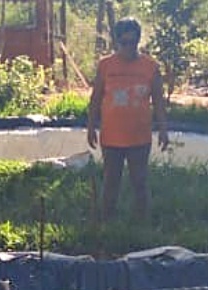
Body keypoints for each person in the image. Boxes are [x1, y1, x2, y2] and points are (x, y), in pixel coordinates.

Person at [87, 17, 170, 220]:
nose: (128, 48)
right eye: (124, 43)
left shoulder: (150, 67)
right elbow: (96, 98)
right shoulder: (105, 65)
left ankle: (142, 224)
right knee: (111, 182)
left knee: (140, 182)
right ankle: (107, 223)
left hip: (139, 138)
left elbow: (158, 101)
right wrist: (90, 127)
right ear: (116, 42)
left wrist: (163, 129)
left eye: (133, 43)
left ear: (138, 41)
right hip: (111, 137)